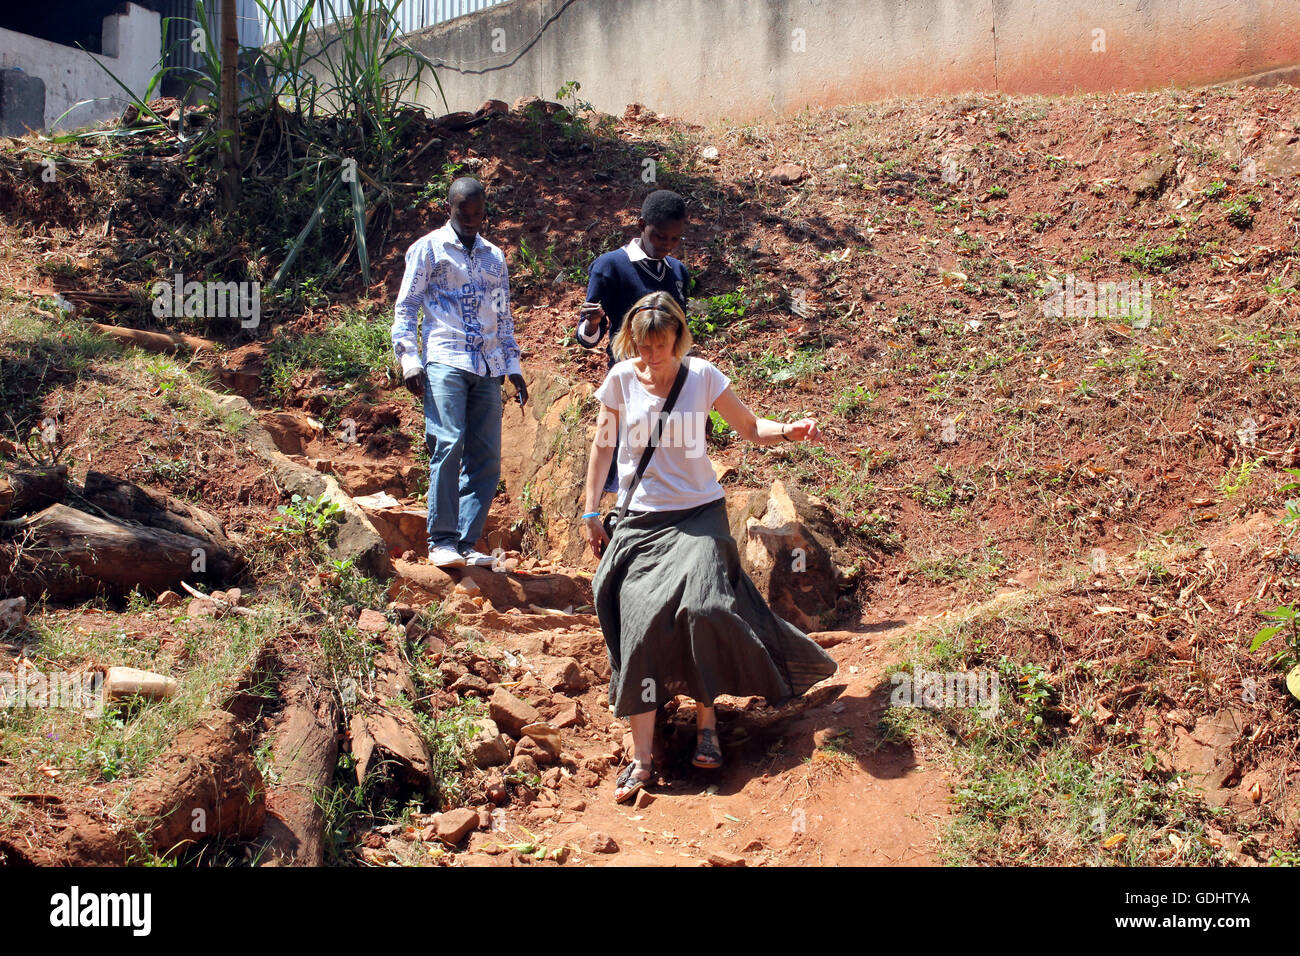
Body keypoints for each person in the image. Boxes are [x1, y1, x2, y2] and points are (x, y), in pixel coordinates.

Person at [580, 291, 838, 803]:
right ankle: (643, 757)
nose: (652, 356)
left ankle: (707, 723)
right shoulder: (620, 380)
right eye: (643, 345)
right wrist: (591, 509)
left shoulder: (702, 376)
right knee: (641, 625)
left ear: (679, 338)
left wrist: (788, 430)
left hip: (700, 515)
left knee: (705, 607)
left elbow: (748, 427)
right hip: (641, 520)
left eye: (662, 345)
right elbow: (603, 445)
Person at [391, 176, 529, 569]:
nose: (471, 221)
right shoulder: (428, 249)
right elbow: (406, 308)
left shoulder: (494, 257)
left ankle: (466, 544)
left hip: (487, 367)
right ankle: (442, 541)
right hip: (445, 359)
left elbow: (502, 316)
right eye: (463, 213)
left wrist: (513, 365)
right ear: (448, 209)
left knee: (486, 456)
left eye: (478, 214)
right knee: (448, 443)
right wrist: (410, 360)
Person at [577, 189, 691, 492]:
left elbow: (681, 333)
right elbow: (589, 338)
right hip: (629, 384)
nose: (666, 245)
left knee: (666, 470)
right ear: (641, 225)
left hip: (669, 386)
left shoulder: (678, 272)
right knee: (625, 470)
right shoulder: (611, 266)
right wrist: (593, 322)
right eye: (660, 237)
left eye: (675, 239)